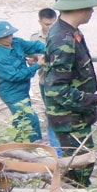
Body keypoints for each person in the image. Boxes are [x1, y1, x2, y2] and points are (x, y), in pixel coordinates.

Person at [44, 0, 97, 187]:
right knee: (80, 164)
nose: (93, 11)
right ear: (81, 9)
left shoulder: (69, 32)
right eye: (90, 7)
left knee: (80, 161)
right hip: (69, 116)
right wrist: (95, 99)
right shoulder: (64, 39)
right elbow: (57, 90)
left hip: (75, 113)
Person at [0, 21, 45, 142]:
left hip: (23, 89)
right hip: (11, 92)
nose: (9, 38)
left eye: (10, 34)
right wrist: (36, 66)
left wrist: (49, 50)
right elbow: (16, 76)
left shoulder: (16, 43)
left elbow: (34, 45)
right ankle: (36, 147)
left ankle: (20, 145)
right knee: (30, 119)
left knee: (21, 120)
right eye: (5, 36)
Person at [30, 8, 62, 157]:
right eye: (46, 24)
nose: (50, 27)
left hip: (62, 82)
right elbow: (31, 60)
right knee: (51, 113)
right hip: (45, 82)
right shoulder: (34, 38)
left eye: (52, 23)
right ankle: (57, 150)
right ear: (39, 22)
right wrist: (34, 62)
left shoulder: (62, 34)